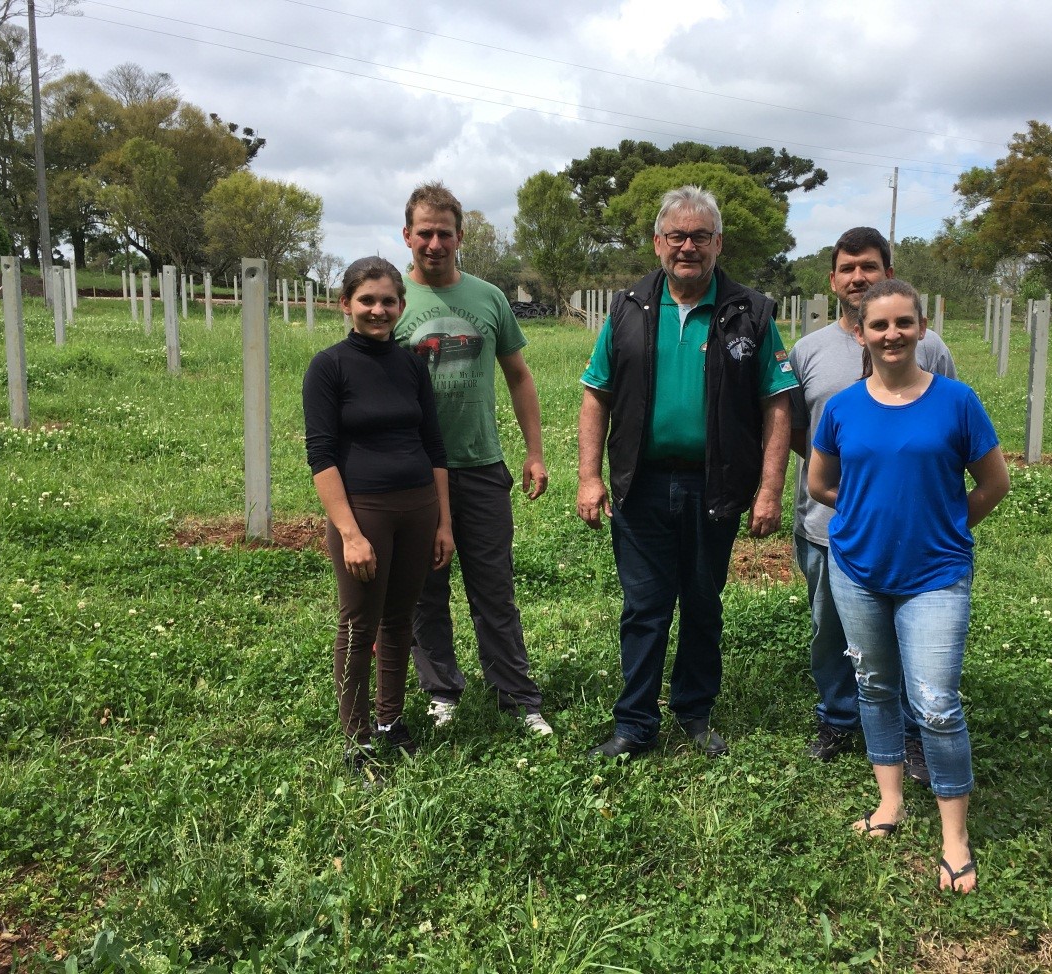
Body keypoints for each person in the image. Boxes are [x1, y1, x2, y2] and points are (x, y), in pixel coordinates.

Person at [577, 185, 797, 759]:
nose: (688, 247)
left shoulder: (750, 312)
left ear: (718, 242)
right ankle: (635, 725)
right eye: (677, 236)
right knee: (644, 607)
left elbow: (778, 403)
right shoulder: (626, 308)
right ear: (658, 243)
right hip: (640, 484)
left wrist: (770, 488)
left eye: (701, 236)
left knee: (702, 602)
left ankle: (695, 713)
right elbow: (596, 394)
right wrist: (589, 476)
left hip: (714, 485)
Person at [808, 278, 1009, 893]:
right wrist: (868, 514)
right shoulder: (843, 407)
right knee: (873, 686)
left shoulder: (957, 401)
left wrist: (941, 525)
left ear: (921, 328)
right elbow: (820, 486)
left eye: (903, 323)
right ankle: (889, 800)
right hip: (857, 571)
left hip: (935, 576)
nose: (891, 335)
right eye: (879, 326)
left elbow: (994, 484)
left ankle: (954, 835)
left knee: (937, 703)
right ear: (862, 334)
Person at [789, 228, 957, 781]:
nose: (858, 277)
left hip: (914, 535)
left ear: (888, 270)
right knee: (831, 632)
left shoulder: (928, 348)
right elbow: (799, 433)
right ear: (833, 279)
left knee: (910, 634)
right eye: (846, 268)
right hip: (827, 526)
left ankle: (911, 734)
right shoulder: (808, 351)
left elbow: (948, 428)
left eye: (869, 266)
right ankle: (837, 718)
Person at [395, 182, 553, 737]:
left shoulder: (489, 298)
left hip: (481, 465)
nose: (434, 243)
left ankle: (517, 696)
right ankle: (441, 691)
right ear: (407, 235)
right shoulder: (389, 301)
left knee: (494, 586)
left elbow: (519, 376)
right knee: (424, 588)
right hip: (411, 473)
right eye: (424, 233)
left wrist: (534, 453)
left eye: (444, 233)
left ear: (460, 237)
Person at [303, 257, 455, 782]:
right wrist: (349, 533)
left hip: (418, 507)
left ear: (401, 306)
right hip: (363, 513)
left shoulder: (412, 364)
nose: (378, 310)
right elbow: (321, 456)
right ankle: (356, 736)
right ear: (345, 304)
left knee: (399, 620)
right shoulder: (329, 367)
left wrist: (443, 523)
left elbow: (434, 446)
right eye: (366, 300)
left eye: (388, 301)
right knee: (358, 622)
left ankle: (391, 721)